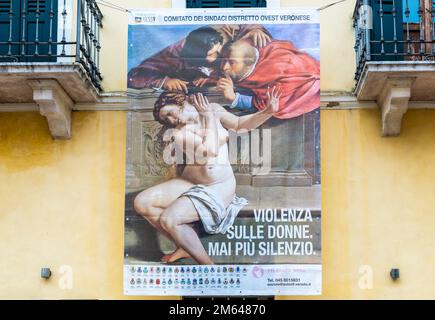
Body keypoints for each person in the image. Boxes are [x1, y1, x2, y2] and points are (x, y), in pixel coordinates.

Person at [133, 88, 281, 265]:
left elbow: (241, 124)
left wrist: (267, 112)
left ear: (181, 101)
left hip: (218, 187)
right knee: (141, 202)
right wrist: (215, 126)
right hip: (190, 182)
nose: (172, 120)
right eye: (167, 120)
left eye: (171, 113)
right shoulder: (180, 133)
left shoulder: (214, 109)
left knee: (170, 219)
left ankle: (207, 265)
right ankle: (183, 245)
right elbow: (209, 150)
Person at [127, 25, 272, 92]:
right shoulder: (174, 53)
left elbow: (244, 25)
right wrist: (164, 81)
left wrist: (256, 30)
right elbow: (136, 76)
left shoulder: (225, 33)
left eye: (219, 49)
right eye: (212, 55)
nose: (220, 56)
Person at [217, 39, 320, 119]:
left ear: (248, 64)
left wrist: (234, 98)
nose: (224, 67)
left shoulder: (278, 76)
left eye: (231, 62)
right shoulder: (259, 47)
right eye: (223, 60)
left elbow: (268, 105)